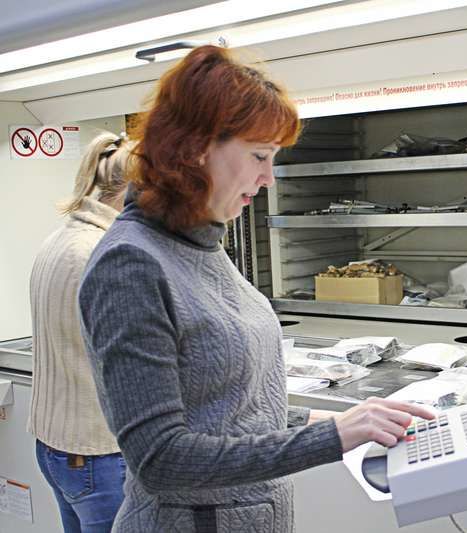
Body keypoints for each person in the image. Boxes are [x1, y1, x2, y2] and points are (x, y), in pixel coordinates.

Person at [77, 45, 432, 532]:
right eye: (260, 156)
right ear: (196, 148)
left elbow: (228, 410)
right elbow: (160, 459)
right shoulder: (131, 264)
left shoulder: (200, 242)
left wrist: (344, 421)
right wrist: (331, 438)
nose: (268, 179)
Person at [28, 133, 133, 532]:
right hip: (97, 451)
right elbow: (130, 359)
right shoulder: (102, 251)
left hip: (59, 449)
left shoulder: (60, 239)